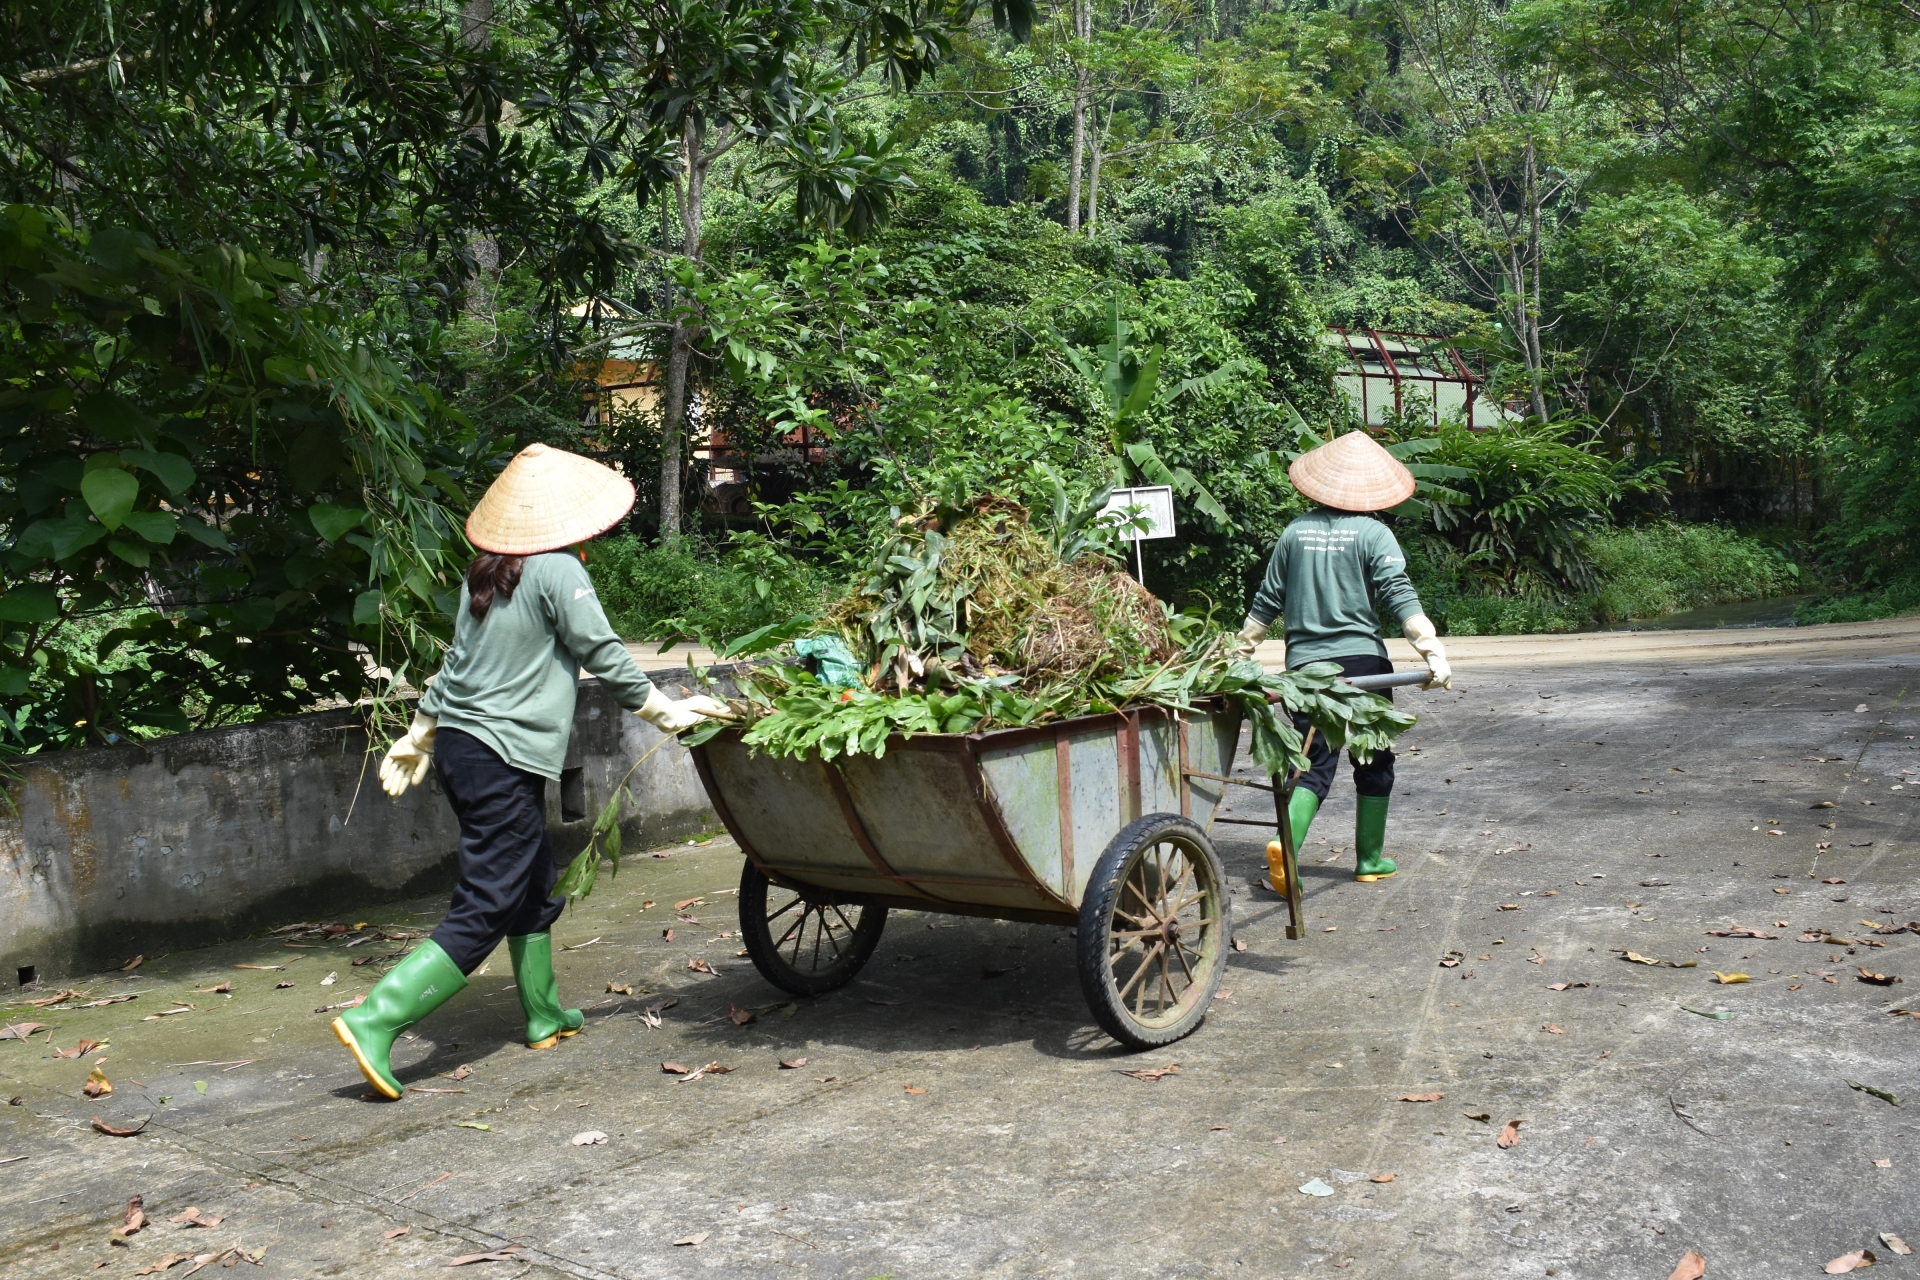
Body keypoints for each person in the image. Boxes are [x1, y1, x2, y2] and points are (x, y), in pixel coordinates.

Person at [333, 443, 729, 1100]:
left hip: (464, 750)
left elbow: (457, 663)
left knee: (530, 881)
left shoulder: (488, 571)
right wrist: (668, 712)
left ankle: (544, 1012)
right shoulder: (558, 571)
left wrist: (421, 732)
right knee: (489, 898)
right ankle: (375, 1019)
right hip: (501, 756)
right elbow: (603, 652)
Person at [1232, 430, 1451, 886]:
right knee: (1373, 757)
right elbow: (1399, 595)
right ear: (1370, 490)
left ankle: (1286, 843)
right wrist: (1431, 649)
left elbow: (1266, 602)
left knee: (1312, 760)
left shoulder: (1293, 534)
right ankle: (1369, 860)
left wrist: (1239, 654)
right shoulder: (1375, 533)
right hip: (1363, 665)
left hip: (1306, 670)